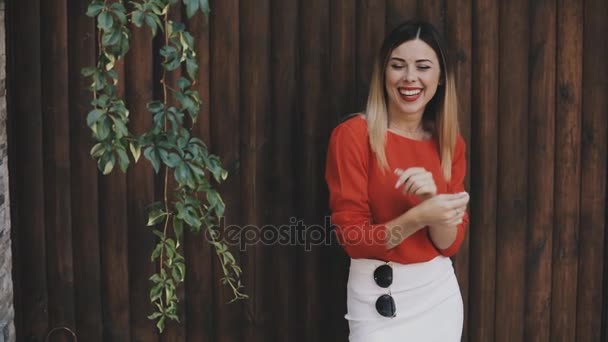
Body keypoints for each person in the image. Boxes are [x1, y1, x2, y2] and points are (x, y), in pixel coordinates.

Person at [325, 20, 470, 341]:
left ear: (440, 77)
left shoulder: (450, 143)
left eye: (423, 66)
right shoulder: (351, 137)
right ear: (383, 73)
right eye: (398, 65)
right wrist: (417, 217)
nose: (410, 77)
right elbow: (354, 239)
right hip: (376, 298)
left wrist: (433, 207)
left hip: (438, 297)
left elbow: (451, 243)